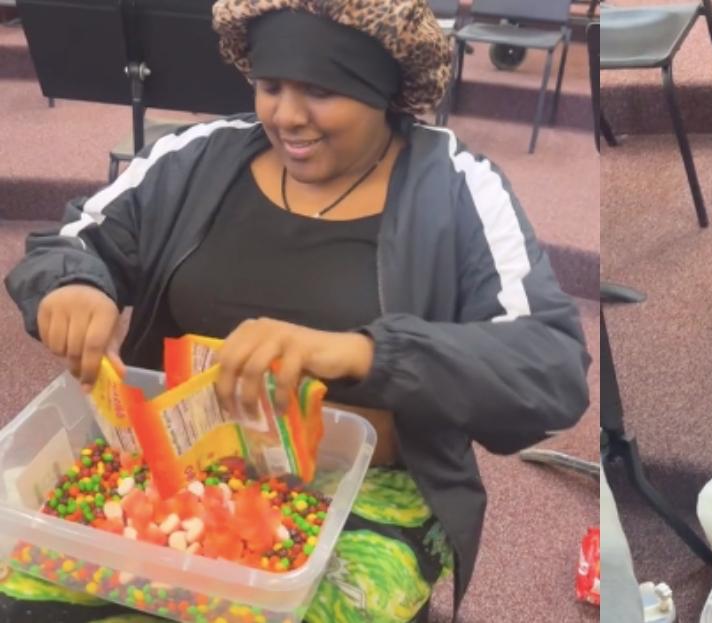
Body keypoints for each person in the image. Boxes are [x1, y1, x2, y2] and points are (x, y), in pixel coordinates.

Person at [1, 1, 590, 621]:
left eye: (321, 89)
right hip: (170, 466)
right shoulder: (199, 155)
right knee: (26, 590)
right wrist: (73, 285)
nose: (286, 116)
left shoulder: (457, 187)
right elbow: (76, 240)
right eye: (270, 85)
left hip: (365, 487)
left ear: (381, 90)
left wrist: (362, 351)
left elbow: (551, 367)